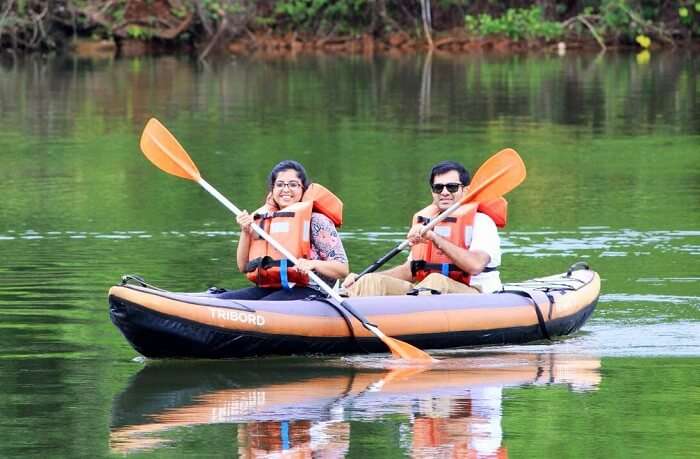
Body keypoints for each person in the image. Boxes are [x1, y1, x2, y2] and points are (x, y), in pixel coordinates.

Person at [342, 160, 504, 296]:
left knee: (435, 280)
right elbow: (410, 271)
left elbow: (475, 265)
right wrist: (362, 278)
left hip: (477, 293)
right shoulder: (426, 221)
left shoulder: (482, 222)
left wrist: (434, 238)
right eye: (438, 188)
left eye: (452, 187)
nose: (445, 192)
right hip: (426, 290)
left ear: (466, 190)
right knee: (371, 280)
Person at [220, 160, 349, 301]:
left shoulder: (317, 221)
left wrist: (312, 264)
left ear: (303, 189)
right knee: (223, 300)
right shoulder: (263, 220)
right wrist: (245, 231)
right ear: (273, 189)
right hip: (273, 287)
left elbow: (342, 269)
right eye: (280, 185)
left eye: (293, 185)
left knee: (264, 306)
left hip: (312, 290)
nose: (286, 189)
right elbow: (243, 266)